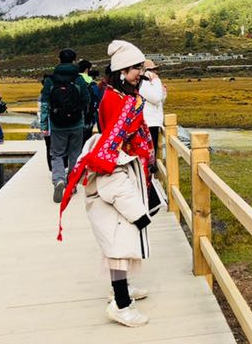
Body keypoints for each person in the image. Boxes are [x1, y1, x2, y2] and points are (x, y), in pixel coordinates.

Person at [57, 39, 155, 328]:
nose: (142, 72)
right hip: (118, 171)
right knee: (118, 242)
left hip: (123, 167)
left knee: (120, 239)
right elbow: (112, 152)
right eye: (137, 68)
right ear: (123, 71)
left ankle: (124, 288)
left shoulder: (117, 95)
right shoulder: (118, 103)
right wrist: (139, 210)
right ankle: (121, 302)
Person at [40, 48, 90, 203]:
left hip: (57, 124)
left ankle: (59, 179)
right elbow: (86, 99)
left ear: (59, 60)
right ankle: (72, 184)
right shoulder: (79, 79)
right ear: (74, 60)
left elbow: (45, 104)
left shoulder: (51, 80)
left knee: (56, 154)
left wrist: (43, 123)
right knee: (75, 153)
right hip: (76, 123)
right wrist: (82, 115)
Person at [138, 60, 166, 159]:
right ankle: (149, 172)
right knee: (150, 152)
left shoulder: (148, 83)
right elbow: (156, 98)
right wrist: (157, 82)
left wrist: (162, 91)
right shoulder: (145, 83)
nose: (155, 72)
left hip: (152, 122)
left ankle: (150, 171)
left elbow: (160, 100)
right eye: (153, 70)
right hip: (149, 123)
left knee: (152, 150)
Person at [78, 59, 100, 144]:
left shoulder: (73, 79)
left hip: (72, 118)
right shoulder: (90, 82)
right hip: (87, 117)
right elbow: (96, 97)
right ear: (87, 69)